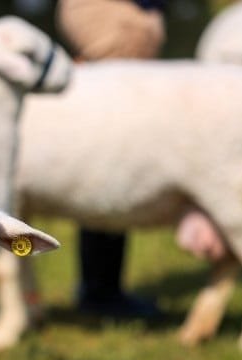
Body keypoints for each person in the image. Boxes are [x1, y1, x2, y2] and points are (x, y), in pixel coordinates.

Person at [55, 0, 167, 318]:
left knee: (113, 151)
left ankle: (102, 287)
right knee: (109, 154)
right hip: (116, 16)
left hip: (121, 16)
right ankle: (100, 291)